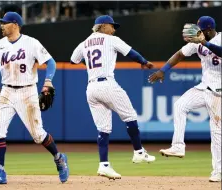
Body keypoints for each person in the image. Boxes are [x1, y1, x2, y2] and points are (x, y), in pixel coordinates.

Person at [0, 12, 69, 184]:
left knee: (38, 135)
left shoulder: (31, 43)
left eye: (5, 23)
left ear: (15, 24)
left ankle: (59, 158)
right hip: (7, 92)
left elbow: (50, 62)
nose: (1, 25)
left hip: (27, 91)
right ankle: (1, 171)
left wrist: (48, 81)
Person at [70, 15, 156, 180]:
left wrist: (89, 66)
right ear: (102, 26)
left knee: (103, 128)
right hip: (107, 84)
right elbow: (131, 53)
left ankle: (104, 165)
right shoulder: (111, 40)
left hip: (91, 88)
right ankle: (138, 152)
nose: (114, 29)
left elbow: (73, 60)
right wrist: (144, 62)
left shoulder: (84, 43)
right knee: (130, 116)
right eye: (112, 26)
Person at [149, 16, 221, 182]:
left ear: (209, 29)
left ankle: (217, 171)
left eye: (200, 30)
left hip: (219, 91)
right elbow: (180, 54)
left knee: (216, 133)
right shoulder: (198, 42)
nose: (198, 33)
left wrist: (205, 43)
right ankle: (178, 147)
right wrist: (163, 70)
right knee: (180, 105)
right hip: (204, 87)